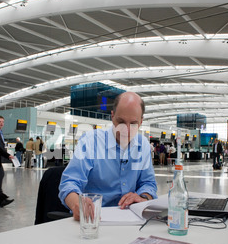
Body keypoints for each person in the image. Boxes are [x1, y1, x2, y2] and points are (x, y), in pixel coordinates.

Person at [59, 91, 158, 221]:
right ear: (112, 116)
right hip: (95, 219)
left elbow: (148, 183)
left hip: (131, 220)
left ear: (141, 122)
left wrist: (143, 197)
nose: (126, 130)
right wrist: (76, 203)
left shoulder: (143, 144)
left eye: (133, 123)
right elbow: (69, 183)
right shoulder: (91, 141)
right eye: (120, 121)